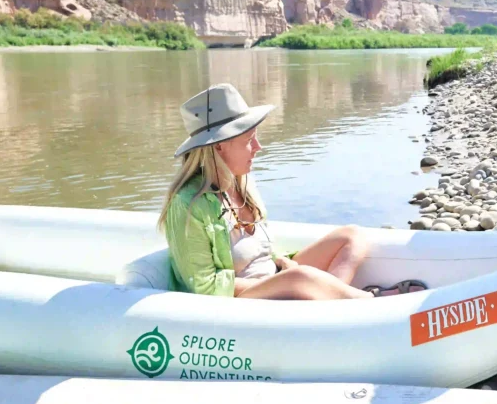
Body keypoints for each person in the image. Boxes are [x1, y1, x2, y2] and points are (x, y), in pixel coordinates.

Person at [158, 83, 426, 300]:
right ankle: (367, 303)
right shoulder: (187, 205)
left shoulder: (243, 181)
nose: (259, 147)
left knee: (351, 236)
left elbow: (261, 251)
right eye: (249, 140)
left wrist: (281, 265)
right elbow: (204, 287)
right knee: (302, 277)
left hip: (271, 277)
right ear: (219, 147)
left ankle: (329, 302)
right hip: (243, 300)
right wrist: (281, 280)